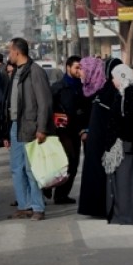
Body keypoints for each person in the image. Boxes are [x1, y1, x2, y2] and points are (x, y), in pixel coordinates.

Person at [2, 38, 54, 221]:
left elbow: (44, 102)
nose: (9, 55)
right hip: (15, 126)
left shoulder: (35, 71)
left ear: (17, 52)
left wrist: (42, 128)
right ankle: (24, 206)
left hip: (31, 126)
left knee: (32, 169)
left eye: (10, 51)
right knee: (17, 168)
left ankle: (38, 207)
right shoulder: (15, 72)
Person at [104, 64, 133, 225]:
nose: (112, 80)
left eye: (115, 77)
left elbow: (130, 121)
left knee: (126, 183)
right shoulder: (126, 93)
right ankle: (124, 214)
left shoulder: (128, 94)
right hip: (125, 146)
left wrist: (122, 141)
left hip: (126, 147)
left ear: (122, 77)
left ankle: (127, 215)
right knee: (125, 183)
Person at [77, 57, 121, 218]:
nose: (80, 72)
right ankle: (92, 206)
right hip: (92, 137)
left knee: (101, 171)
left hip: (101, 137)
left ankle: (102, 206)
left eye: (82, 69)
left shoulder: (104, 89)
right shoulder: (86, 88)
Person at [47, 55, 90, 204]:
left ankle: (61, 194)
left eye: (81, 68)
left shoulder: (84, 87)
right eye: (77, 68)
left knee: (73, 163)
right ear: (68, 68)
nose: (79, 71)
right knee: (61, 162)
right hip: (61, 131)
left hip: (77, 131)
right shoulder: (58, 87)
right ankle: (47, 188)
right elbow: (48, 108)